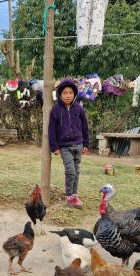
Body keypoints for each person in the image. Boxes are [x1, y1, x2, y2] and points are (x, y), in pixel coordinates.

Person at [48, 79, 90, 209]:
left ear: (74, 94)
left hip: (78, 144)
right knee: (70, 171)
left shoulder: (79, 109)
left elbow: (85, 127)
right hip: (64, 146)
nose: (67, 95)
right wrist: (54, 147)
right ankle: (69, 196)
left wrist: (86, 144)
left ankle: (74, 195)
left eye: (70, 92)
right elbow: (52, 129)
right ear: (60, 94)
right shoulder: (56, 109)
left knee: (76, 171)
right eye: (65, 93)